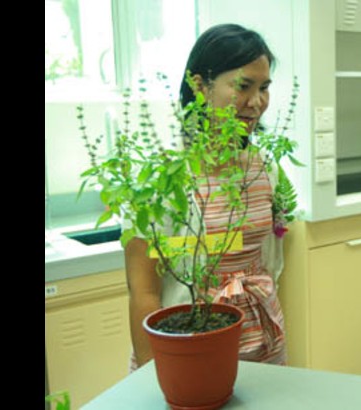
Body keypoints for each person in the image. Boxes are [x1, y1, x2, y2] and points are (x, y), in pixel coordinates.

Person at [126, 23, 287, 371]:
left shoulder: (264, 169)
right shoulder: (165, 177)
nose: (257, 102)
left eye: (265, 87)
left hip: (263, 344)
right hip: (190, 345)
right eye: (244, 86)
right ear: (200, 86)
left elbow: (269, 265)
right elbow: (144, 292)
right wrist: (154, 375)